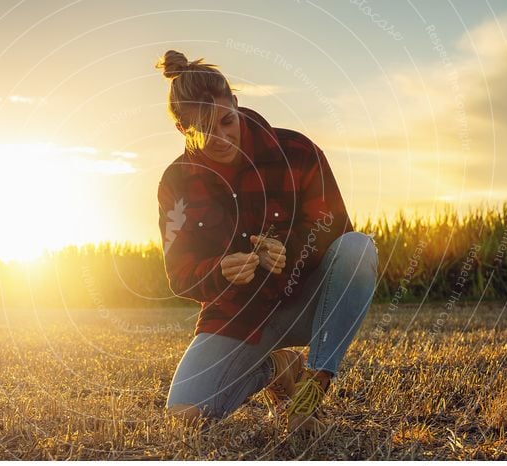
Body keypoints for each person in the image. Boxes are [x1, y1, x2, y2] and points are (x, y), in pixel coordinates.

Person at [155, 50, 378, 437]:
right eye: (205, 130)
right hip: (238, 315)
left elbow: (336, 229)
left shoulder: (298, 152)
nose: (222, 138)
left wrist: (289, 249)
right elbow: (179, 275)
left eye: (227, 121)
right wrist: (218, 270)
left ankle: (311, 390)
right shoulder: (176, 183)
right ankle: (277, 367)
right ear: (182, 129)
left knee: (358, 249)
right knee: (183, 421)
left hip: (306, 301)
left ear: (236, 104)